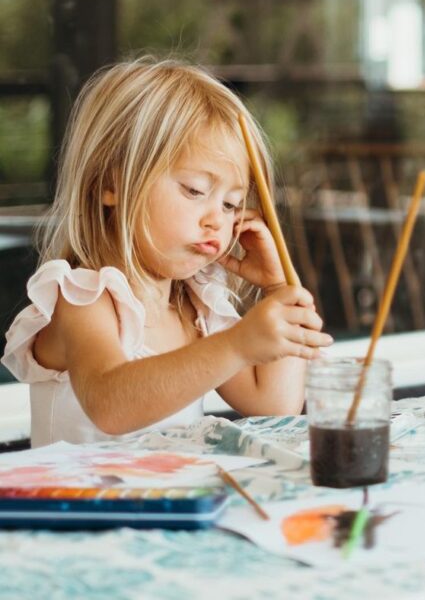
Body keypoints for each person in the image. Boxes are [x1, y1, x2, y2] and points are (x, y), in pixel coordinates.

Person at [2, 59, 333, 445]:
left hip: (170, 503)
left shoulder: (196, 307)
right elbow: (110, 404)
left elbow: (275, 407)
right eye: (194, 190)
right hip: (82, 504)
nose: (216, 220)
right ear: (113, 184)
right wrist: (237, 344)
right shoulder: (83, 298)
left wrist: (277, 291)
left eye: (231, 204)